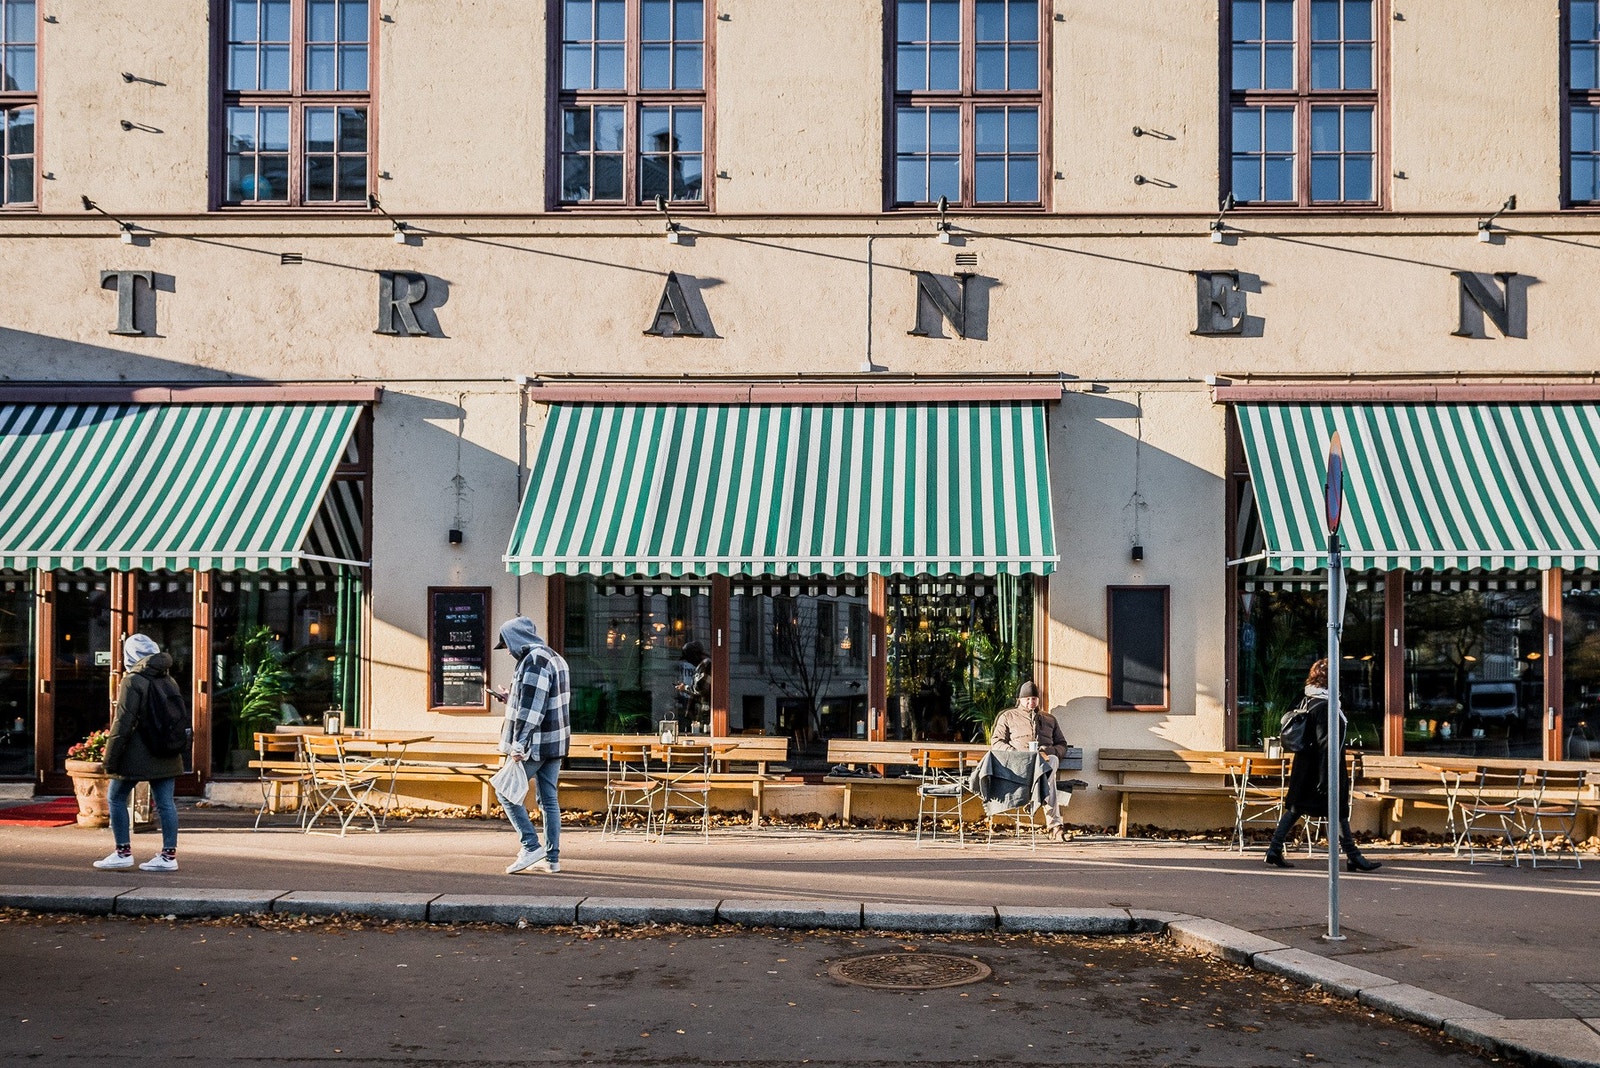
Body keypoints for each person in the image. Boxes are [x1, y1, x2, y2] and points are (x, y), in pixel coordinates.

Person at [1265, 658, 1382, 872]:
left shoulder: (1307, 700)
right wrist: (1327, 776)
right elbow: (1326, 743)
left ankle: (1275, 848)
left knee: (1298, 808)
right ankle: (1353, 856)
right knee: (1337, 810)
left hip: (1305, 767)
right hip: (1323, 768)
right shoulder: (1326, 706)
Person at [93, 634, 183, 872]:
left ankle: (122, 852)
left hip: (137, 753)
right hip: (167, 750)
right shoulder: (169, 680)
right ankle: (168, 856)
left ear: (130, 655)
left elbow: (123, 722)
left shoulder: (132, 680)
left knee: (115, 797)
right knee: (166, 804)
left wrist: (110, 758)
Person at [491, 616, 570, 875]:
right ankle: (552, 859)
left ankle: (531, 846)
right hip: (555, 742)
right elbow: (542, 699)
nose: (508, 651)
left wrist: (519, 744)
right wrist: (510, 697)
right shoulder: (555, 658)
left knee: (504, 791)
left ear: (516, 639)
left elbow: (532, 709)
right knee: (548, 800)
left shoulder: (534, 660)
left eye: (507, 644)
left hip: (534, 743)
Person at [989, 680, 1070, 842]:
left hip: (1043, 764)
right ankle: (1055, 826)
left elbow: (1062, 744)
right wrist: (1015, 753)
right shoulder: (1008, 716)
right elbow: (996, 742)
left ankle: (1037, 799)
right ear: (1020, 700)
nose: (1031, 702)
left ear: (1038, 700)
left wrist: (1050, 751)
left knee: (1053, 761)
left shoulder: (1049, 719)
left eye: (1034, 699)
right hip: (1018, 768)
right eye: (1027, 699)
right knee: (1049, 782)